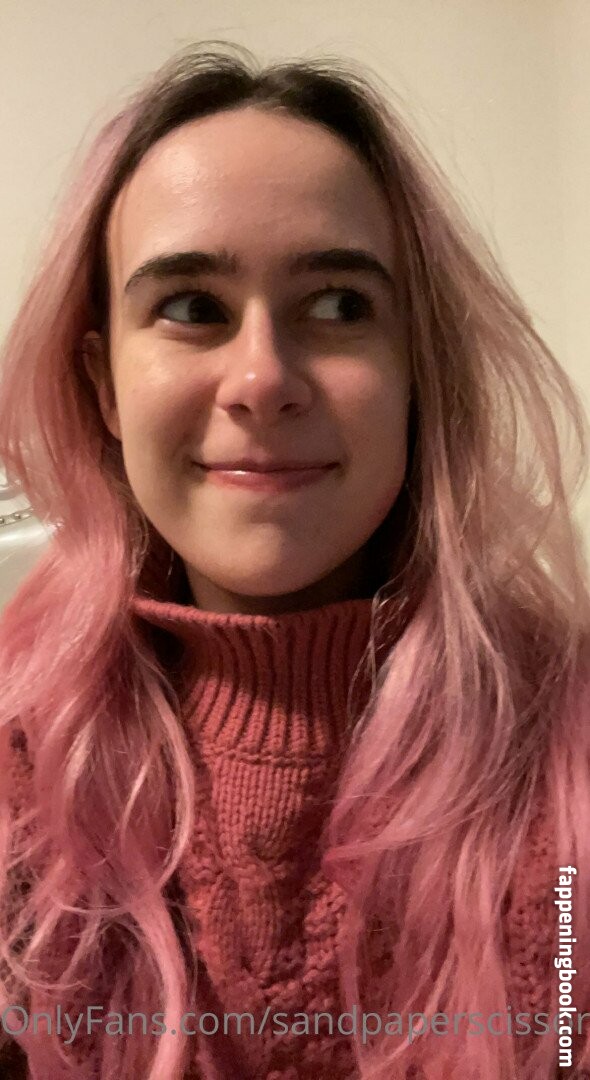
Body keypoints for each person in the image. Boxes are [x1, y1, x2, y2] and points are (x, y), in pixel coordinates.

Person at [0, 40, 588, 1080]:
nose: (263, 379)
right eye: (192, 308)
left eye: (338, 304)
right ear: (102, 386)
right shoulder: (21, 757)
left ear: (418, 367)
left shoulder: (565, 750)